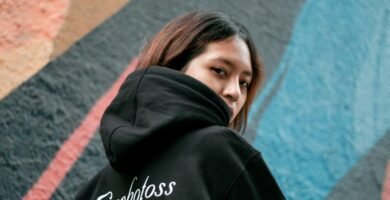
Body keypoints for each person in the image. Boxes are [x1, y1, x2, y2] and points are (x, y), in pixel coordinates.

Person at [76, 11, 285, 200]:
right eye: (219, 71)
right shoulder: (219, 151)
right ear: (175, 67)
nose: (235, 92)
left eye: (244, 83)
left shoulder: (96, 188)